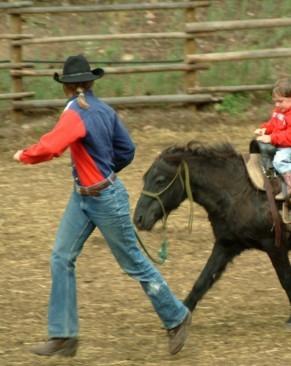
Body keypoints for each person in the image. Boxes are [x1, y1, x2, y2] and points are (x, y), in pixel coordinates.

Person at [13, 55, 191, 357]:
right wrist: (105, 171)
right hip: (88, 195)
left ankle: (177, 316)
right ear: (90, 83)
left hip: (102, 200)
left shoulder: (74, 114)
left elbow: (52, 146)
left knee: (132, 262)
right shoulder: (105, 110)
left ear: (66, 87)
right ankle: (64, 335)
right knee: (61, 257)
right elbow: (128, 150)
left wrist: (24, 155)